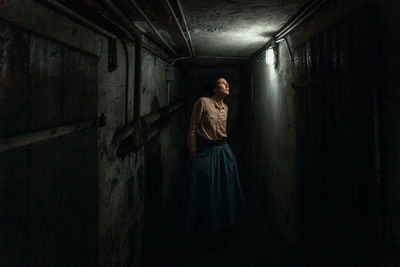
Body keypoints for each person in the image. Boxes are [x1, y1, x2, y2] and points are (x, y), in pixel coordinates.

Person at [177, 77, 246, 252]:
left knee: (227, 189)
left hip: (223, 150)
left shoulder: (227, 107)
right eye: (224, 83)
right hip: (205, 151)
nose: (228, 85)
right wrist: (193, 151)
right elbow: (192, 128)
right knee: (204, 189)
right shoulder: (203, 102)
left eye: (228, 83)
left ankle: (227, 227)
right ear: (215, 89)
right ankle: (204, 231)